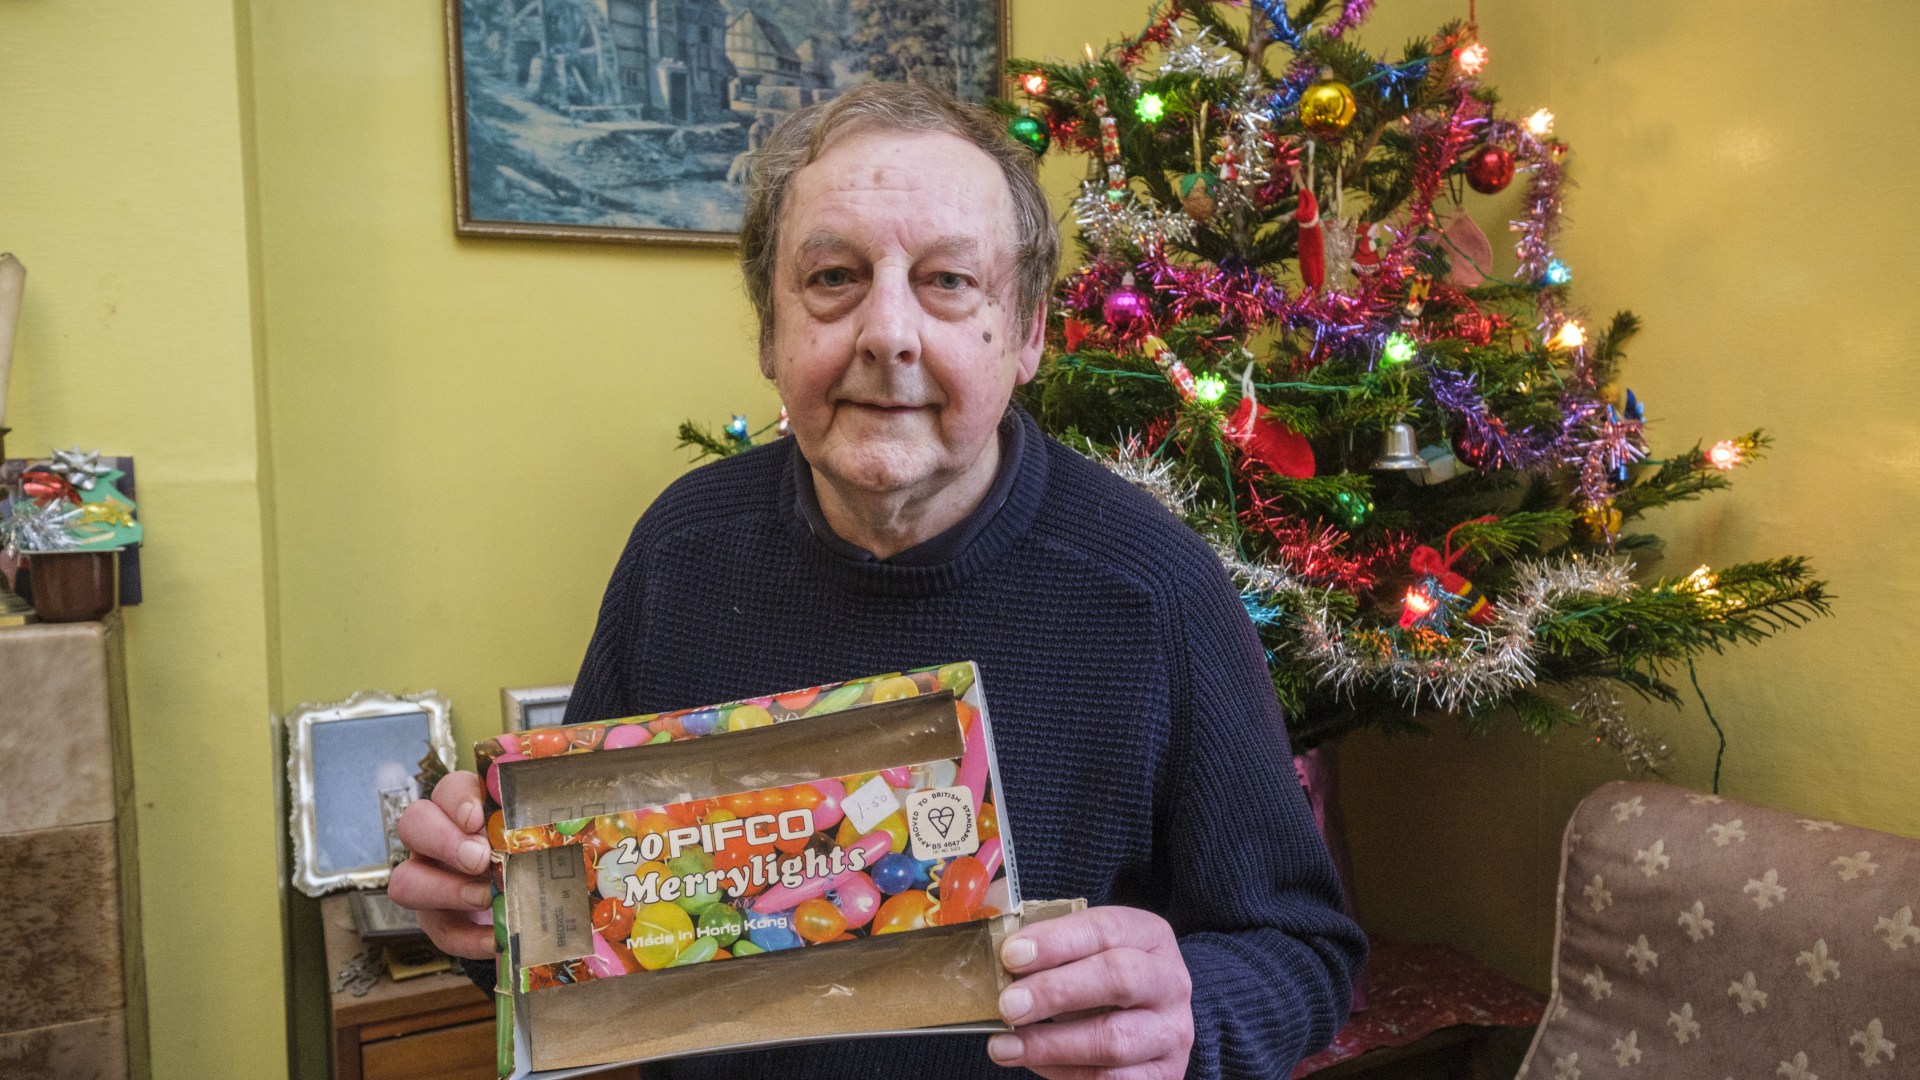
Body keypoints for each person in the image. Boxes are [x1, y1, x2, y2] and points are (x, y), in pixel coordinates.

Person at [391, 81, 1364, 1080]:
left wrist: (1190, 1019)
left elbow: (1305, 952)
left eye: (947, 281)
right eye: (833, 277)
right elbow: (578, 929)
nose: (886, 332)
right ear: (770, 333)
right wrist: (483, 909)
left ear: (1027, 333)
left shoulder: (1155, 591)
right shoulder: (680, 551)